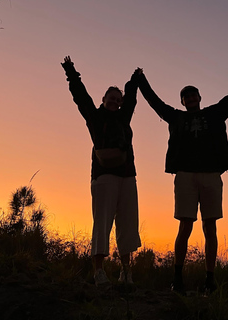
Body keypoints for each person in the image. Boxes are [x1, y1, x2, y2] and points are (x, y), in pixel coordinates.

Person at [137, 53, 228, 294]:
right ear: (183, 101)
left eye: (192, 94)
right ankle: (178, 279)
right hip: (185, 176)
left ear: (199, 97)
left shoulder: (214, 113)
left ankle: (210, 280)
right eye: (185, 96)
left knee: (210, 228)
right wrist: (141, 80)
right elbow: (155, 102)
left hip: (210, 176)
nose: (189, 98)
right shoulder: (175, 117)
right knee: (185, 227)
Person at [61, 56, 142, 286]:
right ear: (103, 99)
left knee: (127, 223)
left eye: (118, 99)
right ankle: (98, 272)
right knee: (102, 222)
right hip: (103, 176)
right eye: (111, 98)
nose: (115, 102)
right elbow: (80, 97)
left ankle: (126, 272)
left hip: (127, 176)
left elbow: (132, 98)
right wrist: (71, 72)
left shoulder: (124, 117)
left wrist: (134, 80)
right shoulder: (95, 117)